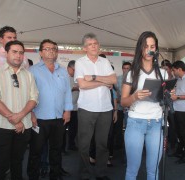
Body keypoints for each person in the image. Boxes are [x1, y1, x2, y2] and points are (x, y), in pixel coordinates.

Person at [0, 40, 38, 180]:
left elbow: (34, 98)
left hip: (24, 126)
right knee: (1, 164)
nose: (18, 55)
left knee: (18, 162)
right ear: (7, 53)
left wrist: (20, 117)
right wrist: (14, 119)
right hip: (2, 127)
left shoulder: (28, 75)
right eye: (14, 52)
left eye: (21, 53)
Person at [121, 31, 166, 180]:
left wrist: (169, 96)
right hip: (135, 123)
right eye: (145, 46)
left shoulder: (163, 74)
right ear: (140, 48)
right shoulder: (132, 73)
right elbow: (123, 101)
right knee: (132, 170)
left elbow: (167, 99)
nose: (149, 50)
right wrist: (134, 96)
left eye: (152, 46)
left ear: (156, 49)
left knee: (153, 171)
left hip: (156, 123)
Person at [27, 39, 73, 180]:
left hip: (59, 118)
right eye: (47, 48)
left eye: (53, 48)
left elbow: (67, 92)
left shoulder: (63, 71)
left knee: (56, 150)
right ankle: (33, 176)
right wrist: (31, 114)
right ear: (41, 52)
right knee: (36, 151)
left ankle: (55, 175)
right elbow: (28, 94)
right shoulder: (32, 70)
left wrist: (68, 110)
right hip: (39, 117)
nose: (51, 51)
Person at [74, 33, 117, 180]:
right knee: (84, 145)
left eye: (96, 43)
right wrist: (104, 83)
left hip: (105, 109)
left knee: (102, 145)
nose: (94, 46)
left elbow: (114, 79)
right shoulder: (80, 62)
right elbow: (83, 85)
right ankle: (85, 174)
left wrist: (93, 77)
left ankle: (101, 173)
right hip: (86, 109)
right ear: (85, 48)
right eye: (90, 44)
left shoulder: (104, 62)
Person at [170, 61, 185, 164]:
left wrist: (177, 97)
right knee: (179, 132)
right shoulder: (177, 80)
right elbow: (176, 93)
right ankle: (179, 151)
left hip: (184, 110)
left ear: (179, 69)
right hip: (176, 109)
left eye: (174, 70)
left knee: (184, 134)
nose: (173, 72)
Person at [116, 61, 131, 149]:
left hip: (129, 108)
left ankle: (127, 146)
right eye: (124, 68)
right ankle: (118, 145)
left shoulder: (134, 79)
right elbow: (115, 92)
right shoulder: (118, 79)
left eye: (127, 68)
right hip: (119, 107)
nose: (125, 70)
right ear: (122, 69)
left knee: (128, 128)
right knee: (118, 128)